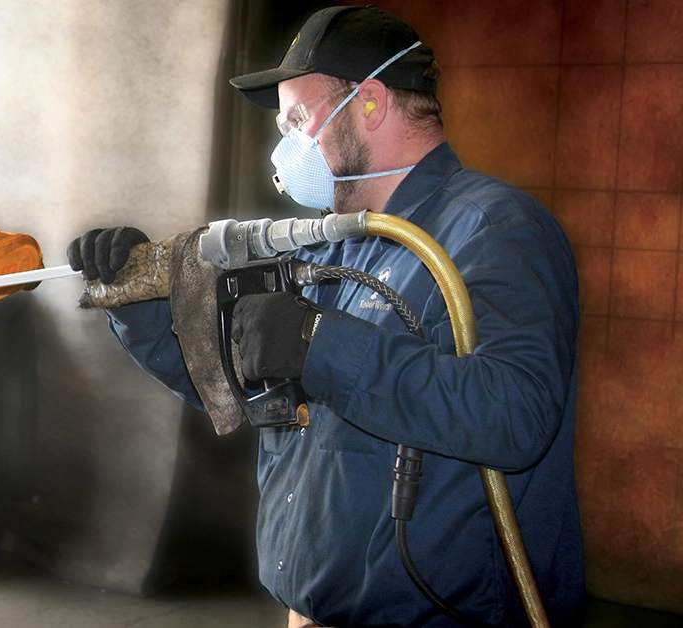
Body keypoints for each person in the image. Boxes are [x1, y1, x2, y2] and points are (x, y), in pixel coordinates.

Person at [67, 6, 584, 627]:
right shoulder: (321, 247)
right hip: (309, 612)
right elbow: (237, 385)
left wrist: (321, 344)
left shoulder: (491, 231)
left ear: (369, 103)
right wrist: (143, 305)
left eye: (298, 118)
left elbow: (515, 415)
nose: (286, 143)